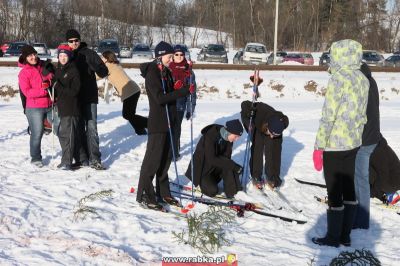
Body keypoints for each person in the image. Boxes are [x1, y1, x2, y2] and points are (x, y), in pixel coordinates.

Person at [312, 39, 369, 247]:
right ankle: (345, 235)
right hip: (353, 142)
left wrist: (319, 146)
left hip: (335, 144)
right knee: (349, 186)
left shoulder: (338, 79)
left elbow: (329, 116)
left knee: (335, 190)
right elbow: (363, 114)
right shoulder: (363, 79)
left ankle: (333, 237)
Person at [136, 41, 192, 211]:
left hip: (169, 123)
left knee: (165, 160)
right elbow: (160, 98)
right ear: (160, 56)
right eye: (169, 56)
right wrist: (181, 92)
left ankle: (163, 192)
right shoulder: (153, 72)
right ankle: (144, 194)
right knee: (152, 161)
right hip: (158, 124)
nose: (171, 59)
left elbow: (169, 95)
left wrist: (177, 88)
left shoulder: (165, 72)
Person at [66, 29, 109, 170]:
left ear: (80, 40)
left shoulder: (89, 53)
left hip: (89, 97)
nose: (74, 43)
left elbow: (104, 72)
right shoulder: (66, 54)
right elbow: (61, 73)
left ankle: (95, 158)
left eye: (76, 40)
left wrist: (94, 66)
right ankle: (82, 158)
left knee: (91, 128)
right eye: (71, 41)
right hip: (74, 99)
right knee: (77, 129)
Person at [185, 119, 244, 199]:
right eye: (236, 136)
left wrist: (235, 168)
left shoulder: (229, 138)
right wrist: (233, 165)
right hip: (202, 170)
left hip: (214, 168)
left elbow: (226, 159)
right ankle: (201, 184)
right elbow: (211, 159)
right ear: (229, 131)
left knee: (229, 165)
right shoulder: (210, 135)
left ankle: (234, 193)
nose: (236, 139)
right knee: (212, 191)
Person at [353, 63, 380, 229]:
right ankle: (358, 215)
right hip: (372, 136)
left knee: (360, 179)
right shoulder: (372, 81)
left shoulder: (361, 85)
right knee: (359, 177)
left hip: (364, 139)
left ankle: (361, 220)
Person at [18, 45, 54, 167]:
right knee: (37, 132)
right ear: (25, 58)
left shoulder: (44, 66)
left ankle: (68, 155)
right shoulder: (23, 73)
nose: (33, 57)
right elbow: (26, 92)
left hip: (50, 104)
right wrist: (43, 90)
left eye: (34, 54)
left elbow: (53, 79)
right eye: (29, 56)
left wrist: (50, 78)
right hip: (34, 108)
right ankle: (36, 158)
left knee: (60, 127)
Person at [240, 100, 289, 189]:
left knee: (272, 150)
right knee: (257, 148)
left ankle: (271, 176)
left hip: (268, 125)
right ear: (267, 126)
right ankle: (256, 175)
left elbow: (276, 155)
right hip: (256, 123)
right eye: (270, 133)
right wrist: (248, 114)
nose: (272, 136)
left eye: (274, 135)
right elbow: (244, 104)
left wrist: (275, 178)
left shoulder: (280, 126)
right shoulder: (259, 111)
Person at [100, 51, 148, 135]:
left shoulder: (108, 66)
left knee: (127, 115)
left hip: (130, 91)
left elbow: (97, 75)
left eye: (102, 57)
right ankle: (140, 130)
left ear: (107, 58)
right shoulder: (115, 64)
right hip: (133, 90)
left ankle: (150, 123)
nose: (101, 58)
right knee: (130, 114)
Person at [53, 44, 85, 170]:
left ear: (69, 56)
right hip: (62, 107)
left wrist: (58, 86)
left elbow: (74, 91)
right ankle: (82, 158)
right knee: (69, 134)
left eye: (65, 55)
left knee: (67, 135)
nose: (62, 58)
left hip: (71, 108)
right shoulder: (60, 69)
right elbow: (56, 85)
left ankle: (66, 161)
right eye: (60, 55)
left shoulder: (73, 70)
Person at [168, 44, 197, 157]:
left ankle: (174, 152)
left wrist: (191, 109)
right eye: (177, 54)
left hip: (180, 104)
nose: (179, 56)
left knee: (176, 128)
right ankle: (169, 149)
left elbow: (192, 92)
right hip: (168, 102)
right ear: (173, 56)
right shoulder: (168, 68)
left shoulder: (189, 71)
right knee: (168, 127)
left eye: (181, 54)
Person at [369, 135, 400, 204]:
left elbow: (383, 175)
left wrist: (379, 195)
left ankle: (390, 195)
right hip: (389, 181)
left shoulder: (378, 150)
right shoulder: (377, 146)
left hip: (392, 184)